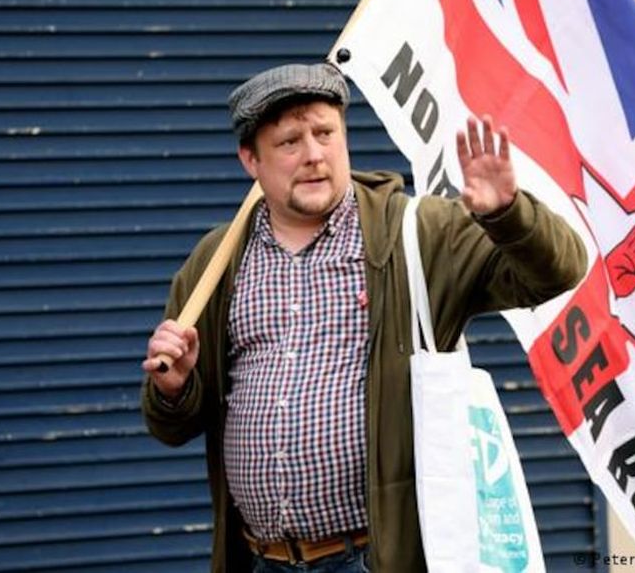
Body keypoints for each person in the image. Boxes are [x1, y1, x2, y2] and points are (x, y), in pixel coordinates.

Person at [141, 62, 587, 573]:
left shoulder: (417, 234)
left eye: (325, 133)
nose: (313, 154)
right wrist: (173, 389)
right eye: (289, 142)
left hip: (375, 558)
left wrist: (507, 214)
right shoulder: (215, 262)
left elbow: (558, 272)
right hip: (261, 559)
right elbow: (170, 426)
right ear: (251, 161)